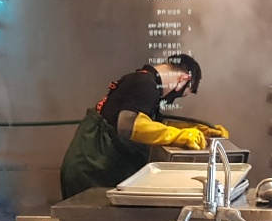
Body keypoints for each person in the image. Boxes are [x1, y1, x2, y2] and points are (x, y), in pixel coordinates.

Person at [60, 53, 228, 201]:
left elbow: (153, 125)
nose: (174, 98)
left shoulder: (142, 80)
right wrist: (180, 136)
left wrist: (199, 129)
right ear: (183, 79)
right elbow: (127, 126)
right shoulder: (146, 85)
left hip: (91, 167)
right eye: (181, 94)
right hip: (91, 172)